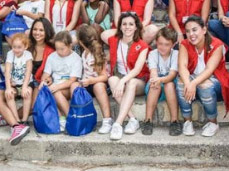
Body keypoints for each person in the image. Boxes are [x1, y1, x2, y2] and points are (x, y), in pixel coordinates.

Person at [177, 16, 229, 137]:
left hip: (216, 83)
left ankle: (213, 123)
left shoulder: (217, 44)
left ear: (204, 29)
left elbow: (209, 70)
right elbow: (182, 66)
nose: (191, 34)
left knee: (203, 84)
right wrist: (188, 83)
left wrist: (193, 83)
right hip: (194, 85)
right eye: (187, 31)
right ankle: (187, 121)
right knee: (181, 82)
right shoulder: (184, 44)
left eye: (194, 30)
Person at [101, 13, 150, 141]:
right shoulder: (113, 41)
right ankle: (133, 119)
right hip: (119, 77)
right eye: (124, 24)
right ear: (120, 27)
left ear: (136, 27)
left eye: (131, 24)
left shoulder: (143, 45)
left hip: (138, 80)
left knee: (131, 82)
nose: (127, 27)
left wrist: (123, 81)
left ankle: (118, 123)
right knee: (112, 79)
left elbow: (137, 69)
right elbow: (102, 34)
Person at [40, 31, 83, 132]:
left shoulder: (76, 59)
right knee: (53, 92)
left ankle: (70, 118)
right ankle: (65, 119)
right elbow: (46, 74)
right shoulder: (52, 57)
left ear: (70, 46)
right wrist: (45, 80)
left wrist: (56, 87)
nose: (59, 51)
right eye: (57, 48)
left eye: (62, 49)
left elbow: (72, 80)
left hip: (68, 87)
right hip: (56, 87)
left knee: (55, 92)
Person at [72, 25, 112, 134]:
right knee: (74, 86)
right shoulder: (84, 53)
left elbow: (104, 77)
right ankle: (78, 117)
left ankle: (107, 120)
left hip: (100, 84)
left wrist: (90, 81)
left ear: (80, 42)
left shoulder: (97, 53)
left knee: (98, 87)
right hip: (87, 84)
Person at [142, 28, 180, 136]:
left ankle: (174, 121)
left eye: (166, 44)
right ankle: (148, 120)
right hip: (156, 85)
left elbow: (172, 75)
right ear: (156, 42)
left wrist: (160, 80)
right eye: (160, 44)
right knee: (155, 85)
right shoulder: (153, 54)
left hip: (170, 85)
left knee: (169, 84)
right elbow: (153, 73)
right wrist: (156, 80)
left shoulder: (176, 54)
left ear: (173, 44)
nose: (162, 47)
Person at [3, 33, 33, 130]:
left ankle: (24, 119)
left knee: (28, 93)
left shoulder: (28, 55)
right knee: (9, 94)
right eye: (14, 47)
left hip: (26, 83)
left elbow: (28, 71)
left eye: (19, 47)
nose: (16, 49)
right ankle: (16, 120)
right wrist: (8, 87)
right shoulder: (10, 54)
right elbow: (7, 71)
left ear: (26, 47)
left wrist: (24, 87)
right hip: (14, 84)